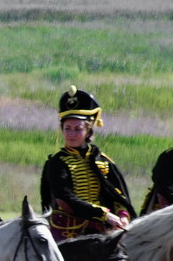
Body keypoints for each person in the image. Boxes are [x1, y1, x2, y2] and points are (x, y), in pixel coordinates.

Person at [39, 85, 134, 242]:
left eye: (78, 129)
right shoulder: (57, 162)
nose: (71, 134)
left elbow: (119, 195)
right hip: (67, 233)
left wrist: (123, 216)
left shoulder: (102, 161)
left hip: (103, 229)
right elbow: (65, 198)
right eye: (67, 128)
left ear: (88, 131)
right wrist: (104, 214)